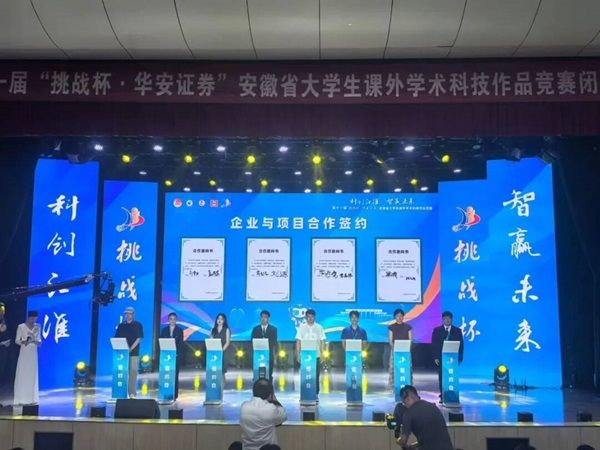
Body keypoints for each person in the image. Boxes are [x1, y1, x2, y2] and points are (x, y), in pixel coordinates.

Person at [396, 385, 453, 450]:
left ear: (408, 399)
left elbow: (403, 441)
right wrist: (411, 446)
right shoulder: (433, 407)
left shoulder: (408, 414)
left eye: (404, 402)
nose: (405, 405)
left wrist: (397, 441)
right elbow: (430, 439)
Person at [240, 378, 287, 450]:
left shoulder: (244, 407)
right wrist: (275, 400)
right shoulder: (271, 409)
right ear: (270, 394)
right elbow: (283, 416)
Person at [431, 311, 464, 401]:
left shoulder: (457, 331)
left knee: (452, 375)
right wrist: (435, 357)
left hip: (453, 358)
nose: (447, 320)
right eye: (445, 318)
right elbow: (434, 345)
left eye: (449, 318)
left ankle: (453, 395)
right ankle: (443, 395)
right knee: (442, 376)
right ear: (442, 320)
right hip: (441, 358)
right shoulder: (437, 330)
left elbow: (461, 345)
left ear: (452, 319)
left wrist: (460, 358)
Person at [295, 309, 325, 399]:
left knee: (316, 375)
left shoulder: (319, 327)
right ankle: (305, 392)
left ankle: (315, 393)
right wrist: (298, 354)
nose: (310, 318)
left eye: (312, 317)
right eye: (308, 317)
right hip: (305, 356)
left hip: (316, 355)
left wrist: (323, 354)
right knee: (305, 374)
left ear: (314, 317)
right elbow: (298, 341)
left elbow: (322, 341)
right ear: (306, 317)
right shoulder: (301, 327)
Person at [115, 306, 143, 398]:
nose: (128, 315)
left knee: (133, 372)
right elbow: (117, 338)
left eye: (130, 314)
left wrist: (130, 349)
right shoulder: (121, 326)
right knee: (121, 372)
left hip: (134, 353)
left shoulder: (138, 325)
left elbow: (139, 338)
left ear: (133, 315)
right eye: (126, 314)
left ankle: (132, 393)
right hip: (122, 355)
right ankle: (120, 392)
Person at [13, 311, 41, 405]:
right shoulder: (21, 327)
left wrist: (34, 340)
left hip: (33, 353)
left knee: (32, 374)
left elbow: (39, 342)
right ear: (28, 317)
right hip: (24, 352)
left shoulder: (37, 327)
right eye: (32, 318)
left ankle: (32, 398)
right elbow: (17, 340)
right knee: (23, 372)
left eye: (35, 319)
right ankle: (21, 398)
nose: (33, 320)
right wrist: (24, 341)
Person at [159, 312, 184, 399]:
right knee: (166, 374)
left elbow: (181, 344)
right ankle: (165, 393)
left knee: (175, 375)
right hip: (165, 357)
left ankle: (174, 395)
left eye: (174, 319)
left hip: (175, 357)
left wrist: (177, 354)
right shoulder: (164, 330)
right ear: (168, 320)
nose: (172, 320)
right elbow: (161, 342)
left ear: (176, 320)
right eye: (171, 319)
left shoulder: (180, 331)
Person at [251, 310, 278, 380]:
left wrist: (275, 354)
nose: (263, 319)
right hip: (258, 354)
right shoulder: (255, 329)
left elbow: (275, 342)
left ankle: (269, 384)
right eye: (262, 317)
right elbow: (252, 341)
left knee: (268, 373)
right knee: (258, 373)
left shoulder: (273, 329)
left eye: (265, 317)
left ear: (268, 318)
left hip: (269, 354)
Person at [388, 308, 412, 385]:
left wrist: (407, 349)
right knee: (394, 368)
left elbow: (410, 339)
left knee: (406, 367)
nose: (399, 317)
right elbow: (390, 340)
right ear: (395, 317)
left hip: (406, 352)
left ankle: (408, 384)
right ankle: (393, 385)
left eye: (401, 316)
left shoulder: (408, 327)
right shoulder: (391, 327)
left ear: (403, 317)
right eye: (397, 316)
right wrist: (395, 350)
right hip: (394, 351)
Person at [211, 312, 231, 386]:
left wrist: (221, 351)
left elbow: (227, 342)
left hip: (223, 353)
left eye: (221, 319)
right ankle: (215, 388)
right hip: (214, 354)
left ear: (224, 320)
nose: (219, 320)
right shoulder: (213, 330)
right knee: (215, 371)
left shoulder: (227, 330)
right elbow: (211, 341)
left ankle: (222, 388)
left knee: (222, 372)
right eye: (218, 319)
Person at [0, 303, 11, 390]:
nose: (2, 312)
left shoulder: (5, 320)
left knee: (2, 368)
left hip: (4, 349)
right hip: (1, 345)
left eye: (3, 310)